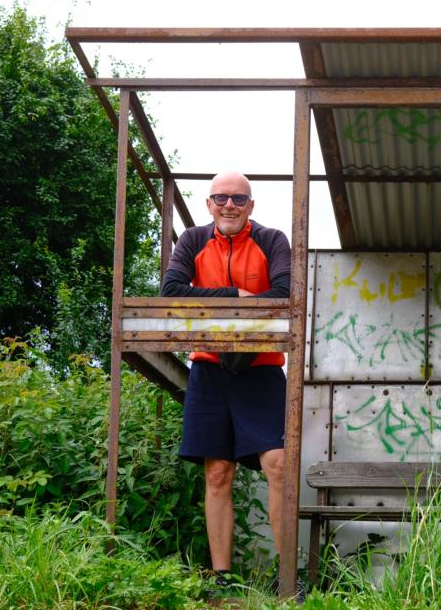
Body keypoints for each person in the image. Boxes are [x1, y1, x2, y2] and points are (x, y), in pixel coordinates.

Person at [161, 171, 291, 585]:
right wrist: (237, 296)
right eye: (221, 198)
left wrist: (232, 302)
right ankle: (222, 577)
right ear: (209, 204)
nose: (229, 206)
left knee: (279, 464)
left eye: (238, 199)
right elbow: (171, 291)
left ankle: (287, 575)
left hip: (262, 367)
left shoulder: (272, 240)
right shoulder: (194, 240)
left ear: (251, 206)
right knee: (217, 471)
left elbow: (286, 295)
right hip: (211, 367)